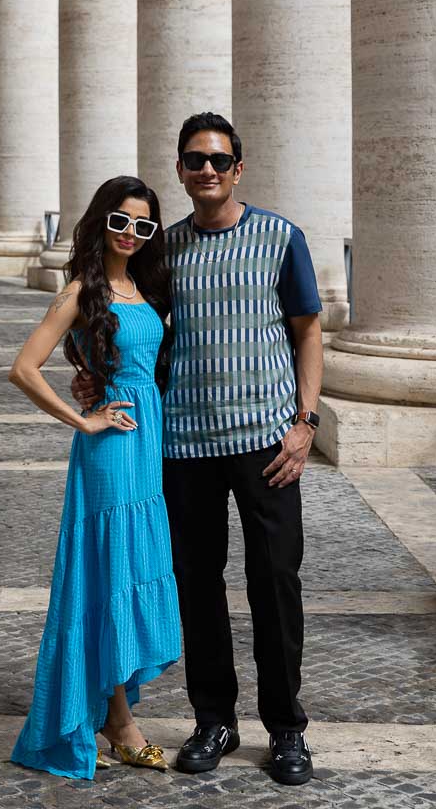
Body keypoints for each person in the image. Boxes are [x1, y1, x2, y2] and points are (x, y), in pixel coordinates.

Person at [73, 113, 323, 787]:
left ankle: (288, 729)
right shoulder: (163, 250)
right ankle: (214, 719)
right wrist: (92, 375)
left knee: (276, 584)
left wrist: (305, 423)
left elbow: (308, 332)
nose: (206, 169)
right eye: (193, 160)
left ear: (238, 168)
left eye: (218, 159)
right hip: (183, 446)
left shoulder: (280, 237)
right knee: (198, 588)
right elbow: (123, 319)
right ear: (180, 171)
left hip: (267, 442)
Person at [9, 176, 182, 781]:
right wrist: (84, 422)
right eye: (119, 222)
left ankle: (116, 712)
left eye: (142, 226)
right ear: (100, 222)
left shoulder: (141, 286)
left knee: (130, 571)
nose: (130, 235)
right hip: (110, 453)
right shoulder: (83, 288)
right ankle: (119, 722)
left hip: (148, 447)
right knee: (109, 576)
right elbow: (24, 368)